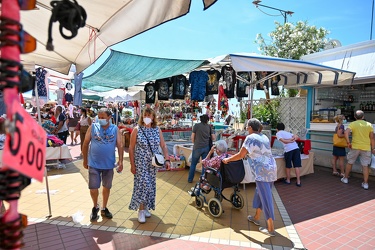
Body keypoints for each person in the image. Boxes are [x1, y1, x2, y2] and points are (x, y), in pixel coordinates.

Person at [223, 118, 277, 237]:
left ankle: (271, 228)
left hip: (262, 171)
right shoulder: (264, 136)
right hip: (271, 169)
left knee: (266, 198)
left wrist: (228, 159)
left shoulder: (251, 138)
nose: (246, 129)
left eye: (247, 127)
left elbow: (241, 155)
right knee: (260, 193)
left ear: (251, 128)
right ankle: (256, 217)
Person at [128, 107, 171, 223]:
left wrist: (167, 159)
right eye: (145, 115)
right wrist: (132, 164)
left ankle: (145, 207)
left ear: (153, 118)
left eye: (149, 116)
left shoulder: (157, 129)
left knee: (150, 185)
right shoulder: (137, 130)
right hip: (140, 162)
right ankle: (140, 210)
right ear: (142, 117)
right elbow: (131, 148)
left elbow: (163, 145)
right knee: (143, 184)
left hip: (152, 163)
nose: (147, 118)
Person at [82, 108, 124, 221]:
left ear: (109, 117)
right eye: (99, 117)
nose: (100, 119)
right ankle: (95, 206)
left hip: (109, 165)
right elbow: (85, 144)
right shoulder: (92, 127)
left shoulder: (115, 129)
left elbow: (120, 145)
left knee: (107, 187)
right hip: (94, 164)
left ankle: (104, 207)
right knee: (93, 188)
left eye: (103, 117)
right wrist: (85, 160)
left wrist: (121, 161)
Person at [341, 110, 375, 190]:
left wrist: (348, 143)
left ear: (355, 117)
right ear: (363, 117)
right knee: (365, 166)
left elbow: (346, 133)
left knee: (350, 162)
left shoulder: (353, 124)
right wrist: (373, 148)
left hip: (355, 146)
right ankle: (365, 183)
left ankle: (345, 178)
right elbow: (372, 137)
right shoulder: (369, 125)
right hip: (366, 147)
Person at [188, 114, 216, 183]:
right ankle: (203, 180)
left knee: (193, 164)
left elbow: (192, 137)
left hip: (197, 147)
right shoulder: (209, 127)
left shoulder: (196, 126)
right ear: (207, 120)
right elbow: (213, 138)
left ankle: (190, 179)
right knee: (204, 164)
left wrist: (195, 142)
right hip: (206, 148)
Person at [276, 122, 302, 187]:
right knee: (297, 166)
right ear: (284, 128)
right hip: (296, 148)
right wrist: (292, 139)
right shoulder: (288, 133)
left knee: (288, 165)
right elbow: (296, 136)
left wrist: (290, 141)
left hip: (288, 150)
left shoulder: (278, 133)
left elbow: (283, 141)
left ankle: (288, 180)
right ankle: (298, 181)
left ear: (277, 129)